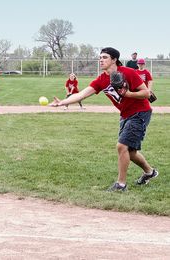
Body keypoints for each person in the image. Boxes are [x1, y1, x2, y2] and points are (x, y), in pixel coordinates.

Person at [50, 47, 158, 192]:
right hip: (125, 114)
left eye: (105, 57)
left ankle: (121, 184)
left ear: (114, 59)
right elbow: (82, 94)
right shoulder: (101, 79)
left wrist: (128, 94)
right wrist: (62, 102)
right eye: (100, 57)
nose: (101, 60)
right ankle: (150, 172)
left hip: (140, 112)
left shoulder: (128, 72)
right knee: (130, 151)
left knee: (122, 146)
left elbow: (146, 93)